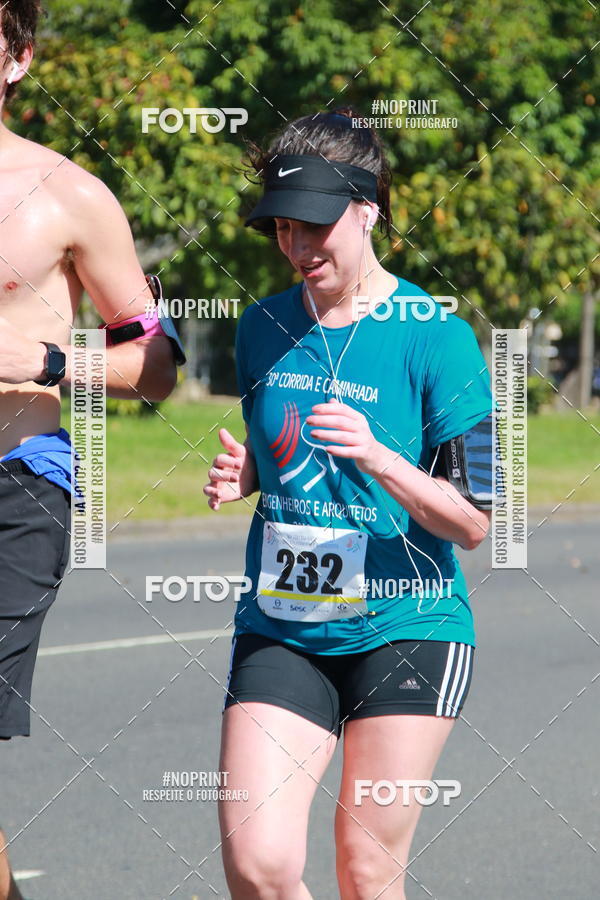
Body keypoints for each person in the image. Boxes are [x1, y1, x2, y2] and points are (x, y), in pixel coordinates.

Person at [204, 108, 493, 899]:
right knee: (259, 866)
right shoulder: (262, 326)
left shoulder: (438, 336)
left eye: (314, 228)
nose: (297, 249)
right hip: (285, 624)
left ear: (366, 212)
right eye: (281, 230)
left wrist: (380, 457)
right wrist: (254, 476)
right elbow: (288, 446)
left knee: (366, 868)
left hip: (408, 626)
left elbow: (473, 521)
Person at [0, 4, 180, 898]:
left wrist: (40, 359)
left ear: (18, 60)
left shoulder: (67, 195)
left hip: (14, 485)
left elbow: (158, 362)